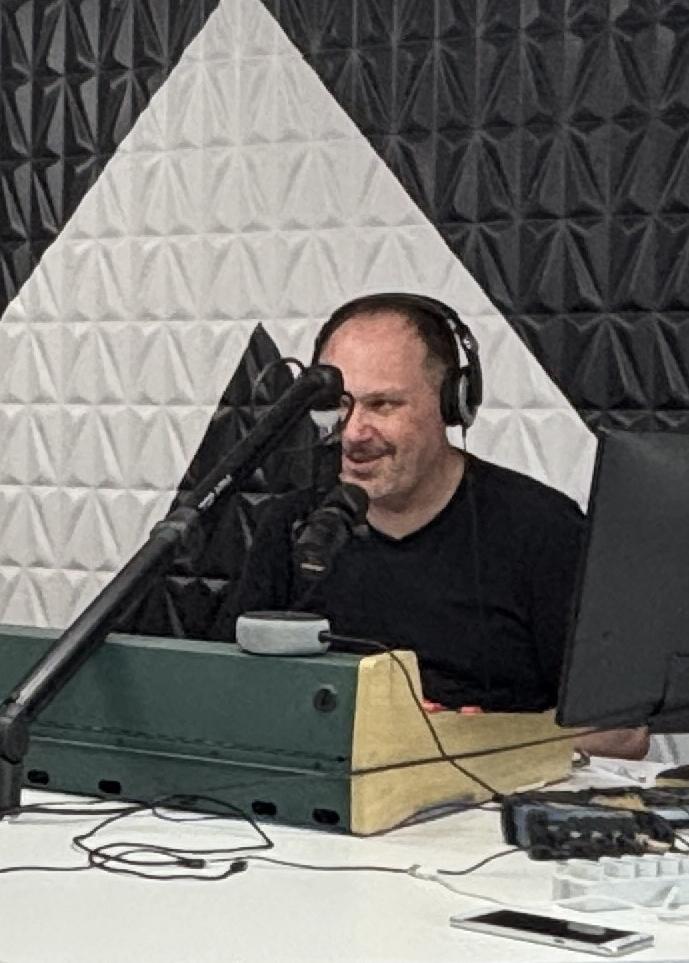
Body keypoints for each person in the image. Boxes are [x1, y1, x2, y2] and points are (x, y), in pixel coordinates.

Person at [219, 290, 599, 723]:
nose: (354, 433)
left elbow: (620, 732)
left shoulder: (544, 529)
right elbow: (229, 694)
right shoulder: (293, 525)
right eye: (339, 405)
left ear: (452, 402)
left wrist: (474, 737)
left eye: (382, 405)